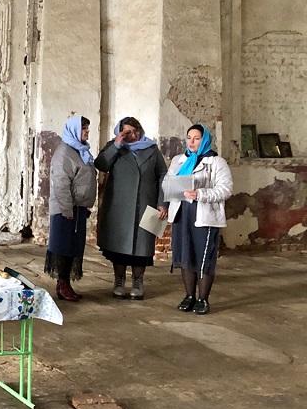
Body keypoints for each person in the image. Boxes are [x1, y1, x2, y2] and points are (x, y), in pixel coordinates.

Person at [94, 116, 168, 300]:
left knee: (142, 248)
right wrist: (116, 145)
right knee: (118, 246)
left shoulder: (151, 149)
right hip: (119, 205)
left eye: (136, 131)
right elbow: (101, 164)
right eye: (128, 133)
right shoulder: (114, 147)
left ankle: (138, 282)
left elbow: (163, 175)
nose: (133, 136)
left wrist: (162, 202)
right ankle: (119, 281)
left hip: (146, 204)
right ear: (120, 133)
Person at [164, 123, 233, 315]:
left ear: (205, 140)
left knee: (203, 257)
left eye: (196, 138)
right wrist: (170, 190)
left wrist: (200, 194)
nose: (192, 142)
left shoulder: (217, 162)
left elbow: (226, 189)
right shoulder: (179, 160)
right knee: (185, 255)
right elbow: (167, 182)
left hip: (203, 214)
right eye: (189, 138)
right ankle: (189, 296)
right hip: (182, 213)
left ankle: (203, 298)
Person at [45, 115, 96, 302]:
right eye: (84, 129)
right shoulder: (64, 153)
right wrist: (67, 210)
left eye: (87, 128)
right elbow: (61, 184)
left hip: (78, 208)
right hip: (66, 210)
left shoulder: (81, 150)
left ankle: (66, 284)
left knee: (73, 246)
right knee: (63, 247)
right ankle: (62, 284)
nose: (87, 132)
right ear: (74, 130)